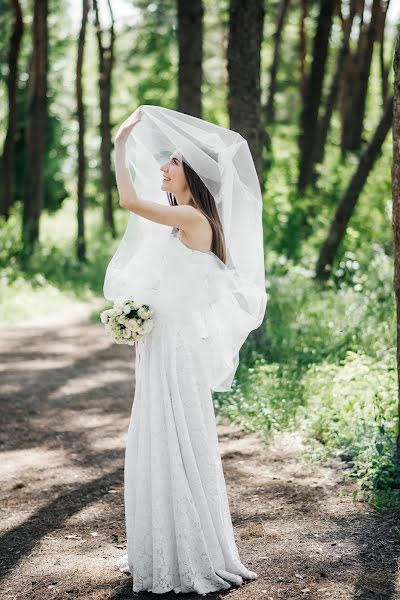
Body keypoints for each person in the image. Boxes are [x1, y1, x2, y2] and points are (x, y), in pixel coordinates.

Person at [104, 105, 268, 595]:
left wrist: (118, 146)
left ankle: (191, 550)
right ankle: (166, 542)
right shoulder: (182, 222)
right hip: (162, 343)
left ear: (189, 173)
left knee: (175, 437)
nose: (162, 169)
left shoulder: (192, 218)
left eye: (170, 163)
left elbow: (129, 201)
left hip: (175, 349)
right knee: (160, 436)